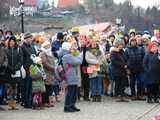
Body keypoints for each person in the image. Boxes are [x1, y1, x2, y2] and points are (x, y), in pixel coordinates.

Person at [61, 42, 82, 112]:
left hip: (71, 75)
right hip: (70, 76)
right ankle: (67, 106)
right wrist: (79, 55)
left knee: (73, 91)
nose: (72, 49)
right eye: (70, 48)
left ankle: (72, 105)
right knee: (71, 92)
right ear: (67, 48)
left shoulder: (68, 55)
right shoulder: (67, 56)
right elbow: (78, 61)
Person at [6, 36, 23, 110]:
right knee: (9, 88)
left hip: (16, 71)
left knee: (15, 87)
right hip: (8, 71)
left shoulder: (19, 49)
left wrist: (15, 68)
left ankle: (14, 104)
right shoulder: (6, 50)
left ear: (15, 42)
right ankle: (10, 103)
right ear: (9, 42)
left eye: (13, 41)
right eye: (10, 41)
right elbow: (5, 60)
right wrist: (10, 68)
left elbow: (21, 61)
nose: (12, 42)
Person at [21, 32, 36, 108]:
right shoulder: (22, 47)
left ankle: (30, 101)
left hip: (33, 68)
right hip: (26, 69)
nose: (31, 39)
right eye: (29, 38)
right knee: (26, 86)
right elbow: (22, 59)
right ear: (26, 39)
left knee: (31, 86)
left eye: (31, 38)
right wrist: (26, 67)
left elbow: (35, 56)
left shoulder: (32, 47)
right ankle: (26, 102)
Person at [39, 41, 55, 107]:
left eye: (49, 45)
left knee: (50, 87)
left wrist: (54, 67)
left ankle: (49, 101)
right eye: (47, 45)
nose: (49, 46)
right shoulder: (42, 53)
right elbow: (44, 63)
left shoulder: (50, 52)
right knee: (46, 87)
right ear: (44, 46)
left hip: (51, 72)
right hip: (46, 72)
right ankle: (45, 102)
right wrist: (52, 68)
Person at [0, 40, 8, 110]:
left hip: (2, 71)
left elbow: (6, 58)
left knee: (1, 88)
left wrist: (4, 66)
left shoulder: (2, 49)